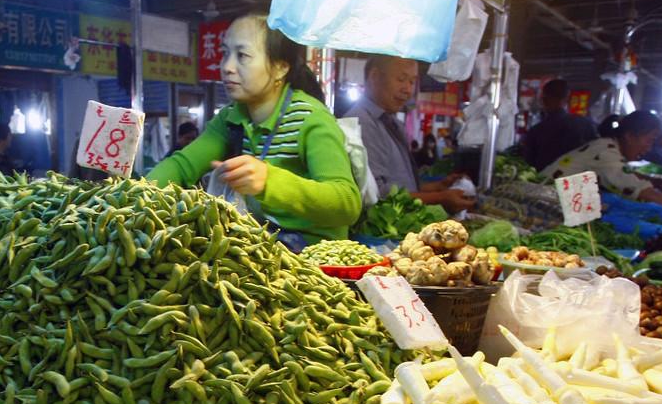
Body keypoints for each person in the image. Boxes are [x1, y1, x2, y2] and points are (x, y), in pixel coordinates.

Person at [147, 14, 360, 249]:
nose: (227, 67)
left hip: (314, 258)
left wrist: (269, 181)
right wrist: (136, 196)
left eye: (243, 56)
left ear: (280, 67)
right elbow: (182, 165)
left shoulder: (311, 119)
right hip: (263, 247)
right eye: (225, 53)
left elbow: (346, 202)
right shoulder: (231, 117)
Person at [346, 55, 474, 214]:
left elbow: (399, 186)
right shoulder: (361, 123)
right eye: (401, 79)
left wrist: (435, 188)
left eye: (412, 82)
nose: (407, 89)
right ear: (375, 77)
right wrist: (440, 198)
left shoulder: (393, 123)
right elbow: (378, 194)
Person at [540, 110, 662, 210]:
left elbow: (625, 174)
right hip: (541, 204)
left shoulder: (607, 146)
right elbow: (637, 188)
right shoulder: (606, 152)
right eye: (649, 140)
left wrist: (656, 182)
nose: (648, 148)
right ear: (630, 136)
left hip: (555, 202)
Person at [519, 79, 598, 171]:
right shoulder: (587, 124)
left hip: (546, 182)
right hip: (580, 183)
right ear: (567, 98)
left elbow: (528, 164)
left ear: (544, 99)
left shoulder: (536, 131)